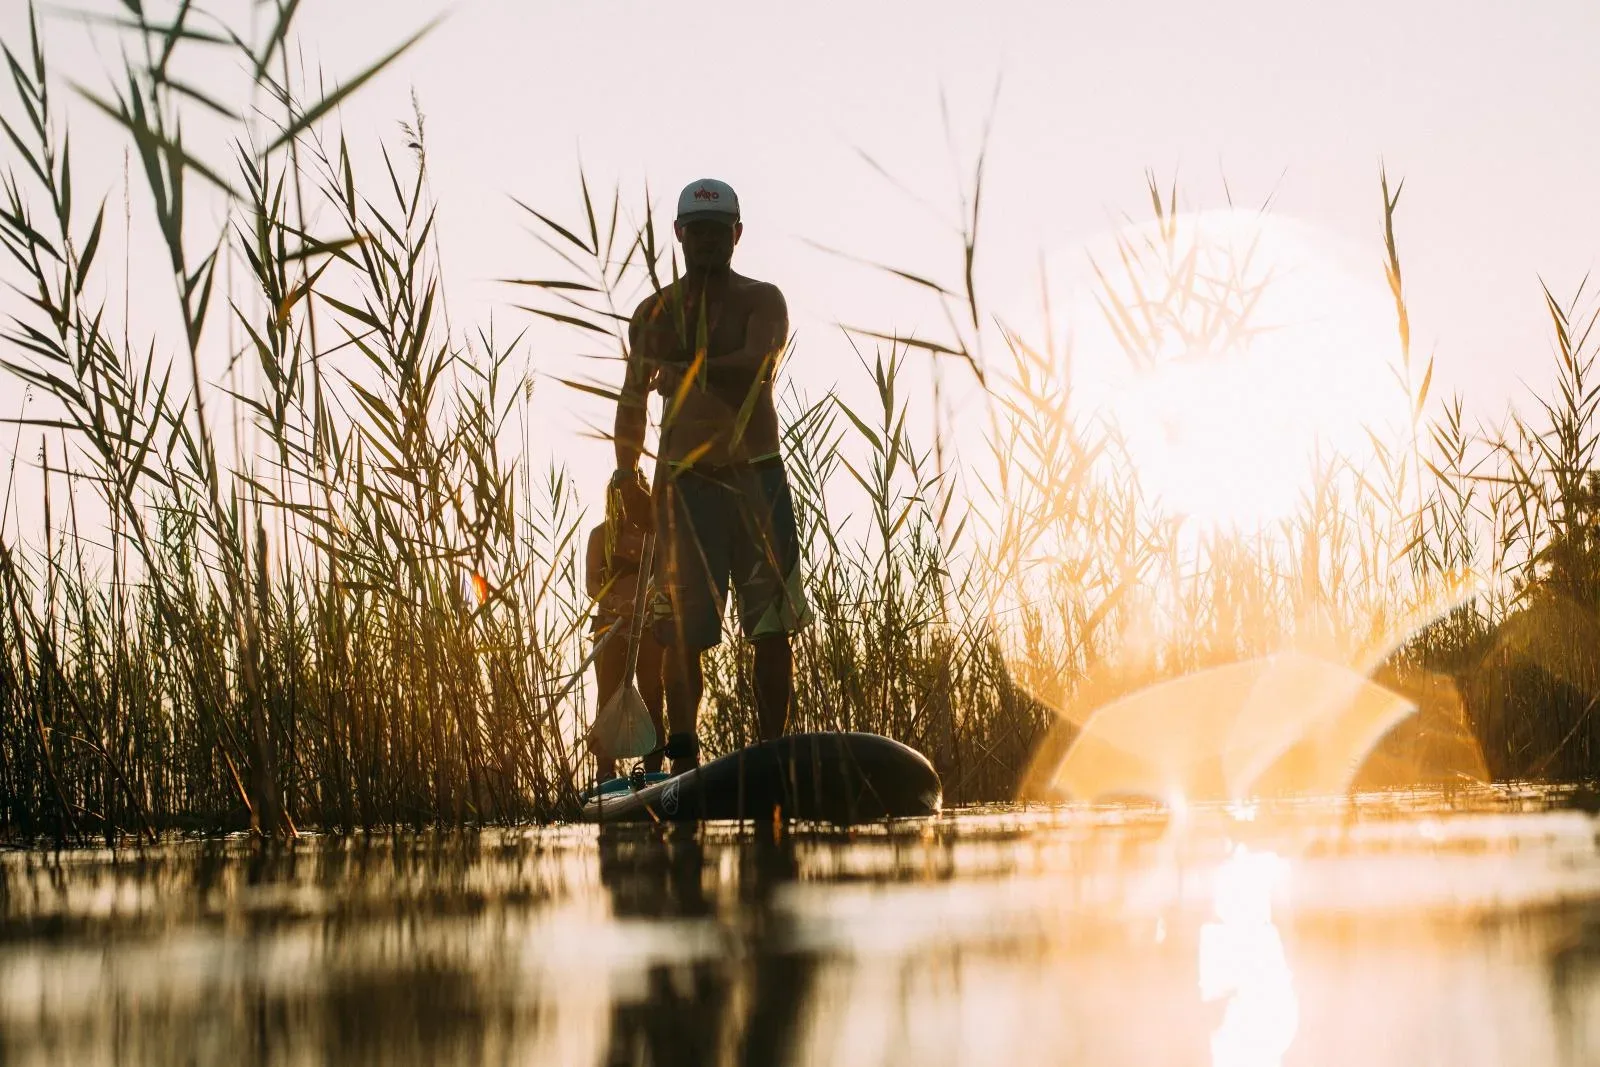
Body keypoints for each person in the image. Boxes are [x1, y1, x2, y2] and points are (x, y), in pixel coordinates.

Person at [611, 178, 811, 775]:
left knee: (772, 629)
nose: (705, 242)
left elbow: (758, 363)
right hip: (683, 487)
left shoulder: (762, 301)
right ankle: (683, 756)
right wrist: (626, 476)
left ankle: (772, 752)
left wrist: (686, 371)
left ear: (736, 236)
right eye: (695, 232)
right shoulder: (652, 314)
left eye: (717, 232)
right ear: (679, 234)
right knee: (681, 632)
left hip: (757, 481)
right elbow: (632, 398)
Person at [584, 468, 665, 780]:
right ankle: (605, 776)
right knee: (607, 701)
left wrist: (644, 602)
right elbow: (593, 585)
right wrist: (619, 605)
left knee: (653, 696)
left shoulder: (655, 536)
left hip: (648, 627)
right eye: (622, 495)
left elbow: (666, 575)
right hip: (611, 628)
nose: (628, 501)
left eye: (635, 494)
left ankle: (654, 772)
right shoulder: (600, 535)